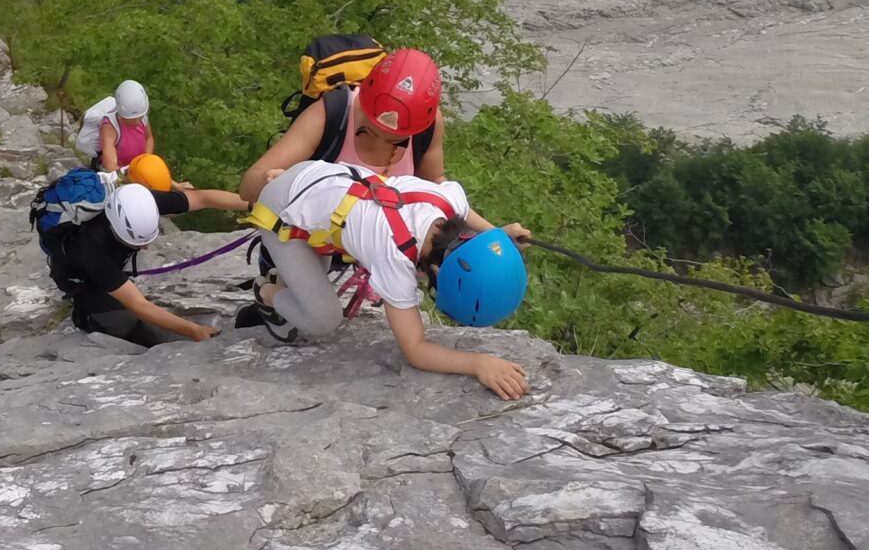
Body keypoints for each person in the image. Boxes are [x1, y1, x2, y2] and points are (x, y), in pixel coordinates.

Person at [232, 158, 531, 399]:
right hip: (281, 208)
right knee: (322, 319)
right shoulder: (394, 255)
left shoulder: (446, 201)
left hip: (320, 176)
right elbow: (415, 349)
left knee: (314, 279)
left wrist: (498, 235)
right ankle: (268, 291)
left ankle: (291, 276)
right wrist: (477, 363)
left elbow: (466, 215)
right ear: (437, 273)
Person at [48, 179, 251, 348]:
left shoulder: (141, 203)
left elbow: (203, 198)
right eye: (136, 243)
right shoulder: (90, 250)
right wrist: (194, 330)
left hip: (107, 256)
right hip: (78, 276)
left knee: (125, 294)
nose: (145, 248)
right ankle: (85, 316)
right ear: (114, 228)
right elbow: (138, 305)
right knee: (121, 320)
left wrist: (255, 205)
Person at [240, 48, 445, 200]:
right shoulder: (329, 115)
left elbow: (434, 183)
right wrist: (288, 183)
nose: (381, 141)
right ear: (363, 102)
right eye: (371, 132)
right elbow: (249, 186)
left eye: (394, 140)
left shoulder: (428, 124)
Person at [75, 80, 154, 172]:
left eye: (139, 118)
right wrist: (132, 175)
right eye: (132, 119)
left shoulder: (142, 117)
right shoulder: (110, 127)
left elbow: (148, 138)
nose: (137, 122)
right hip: (116, 175)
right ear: (121, 113)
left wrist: (146, 159)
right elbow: (110, 166)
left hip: (138, 169)